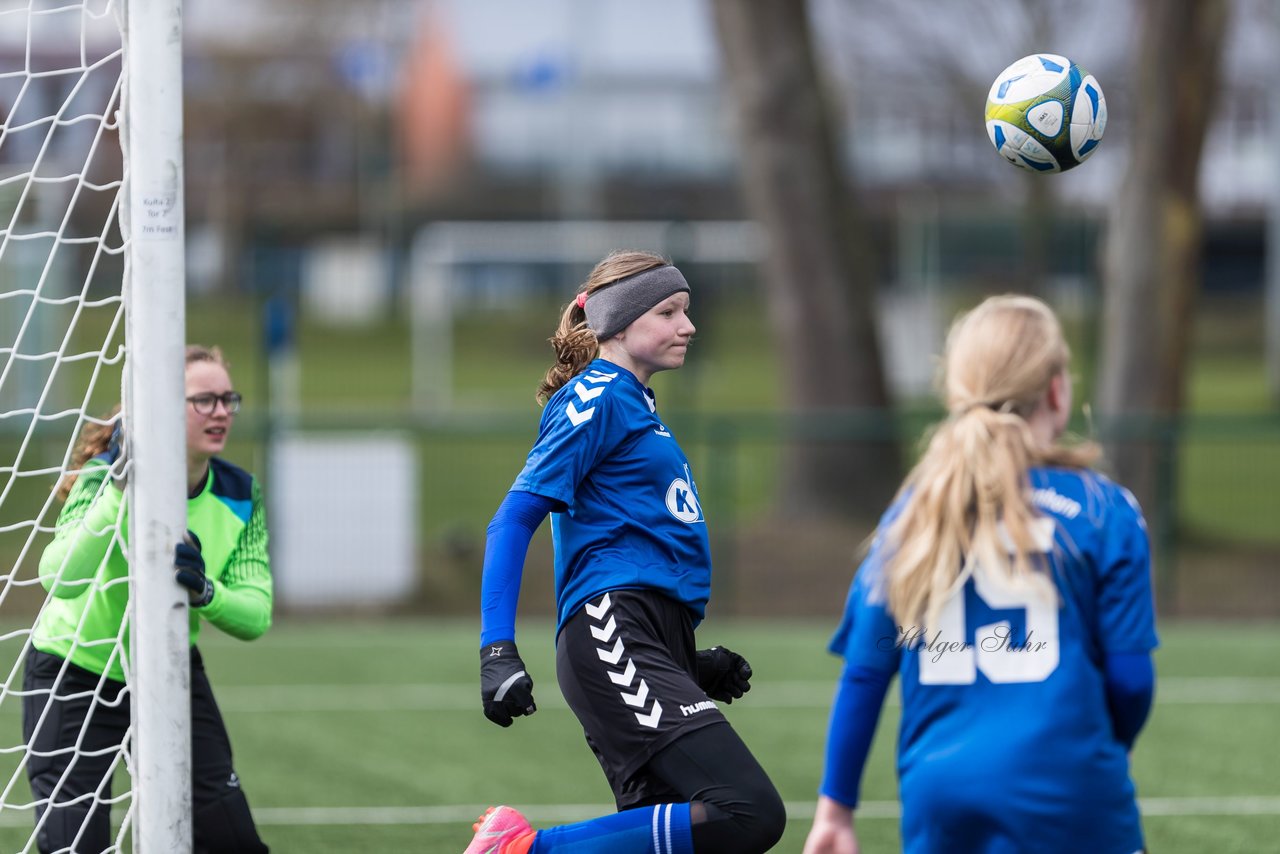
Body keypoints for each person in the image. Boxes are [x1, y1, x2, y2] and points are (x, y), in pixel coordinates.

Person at [801, 295, 1158, 854]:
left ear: (957, 391)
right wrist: (1114, 741)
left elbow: (866, 674)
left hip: (941, 797)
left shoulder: (915, 511)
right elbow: (1132, 678)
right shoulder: (1101, 509)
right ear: (1058, 391)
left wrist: (835, 809)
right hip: (1071, 790)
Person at [466, 251, 786, 854]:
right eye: (668, 311)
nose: (687, 326)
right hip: (613, 629)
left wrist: (687, 660)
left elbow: (632, 544)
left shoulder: (634, 402)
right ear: (618, 323)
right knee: (747, 812)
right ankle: (522, 850)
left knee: (683, 837)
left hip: (644, 634)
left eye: (686, 311)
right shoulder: (597, 396)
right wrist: (497, 648)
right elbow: (512, 520)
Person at [24, 344, 272, 853]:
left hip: (169, 670)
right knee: (75, 846)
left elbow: (255, 615)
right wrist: (120, 490)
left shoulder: (240, 493)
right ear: (158, 405)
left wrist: (206, 591)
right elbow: (59, 577)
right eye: (204, 400)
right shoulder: (103, 476)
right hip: (73, 673)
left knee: (234, 844)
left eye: (228, 399)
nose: (222, 411)